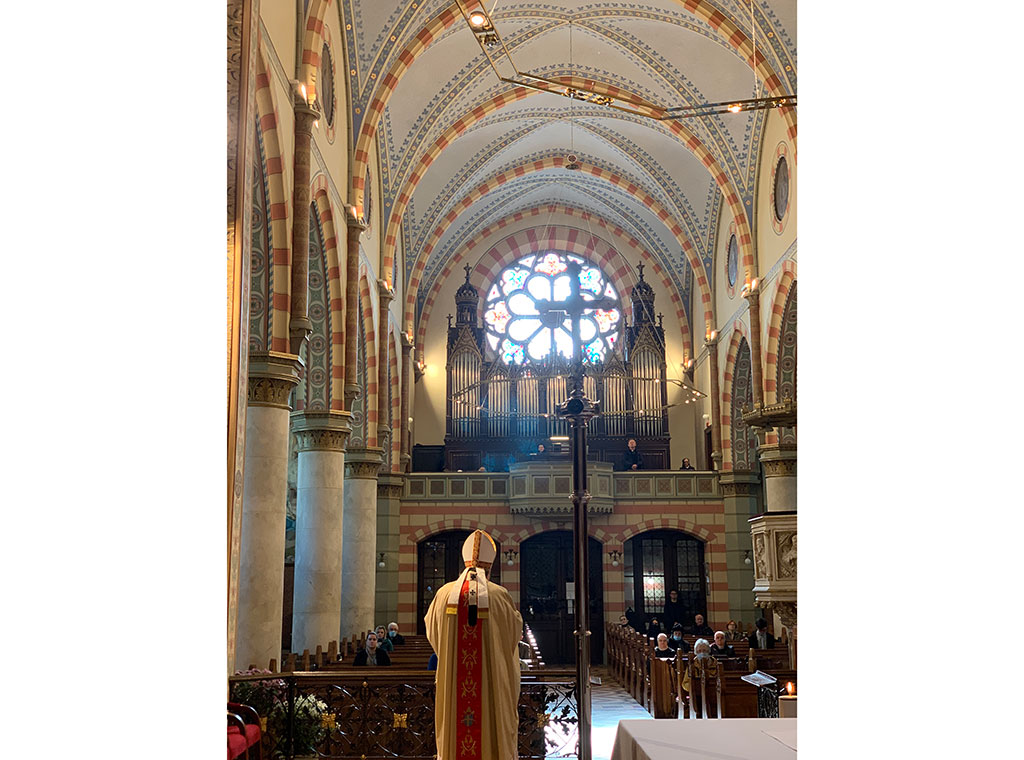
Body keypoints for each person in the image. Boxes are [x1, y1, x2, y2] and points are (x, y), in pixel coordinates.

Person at [425, 529, 522, 760]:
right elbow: (514, 634)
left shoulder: (443, 594)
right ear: (490, 566)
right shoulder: (499, 595)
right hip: (491, 682)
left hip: (454, 682)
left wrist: (452, 650)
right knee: (492, 723)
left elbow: (433, 632)